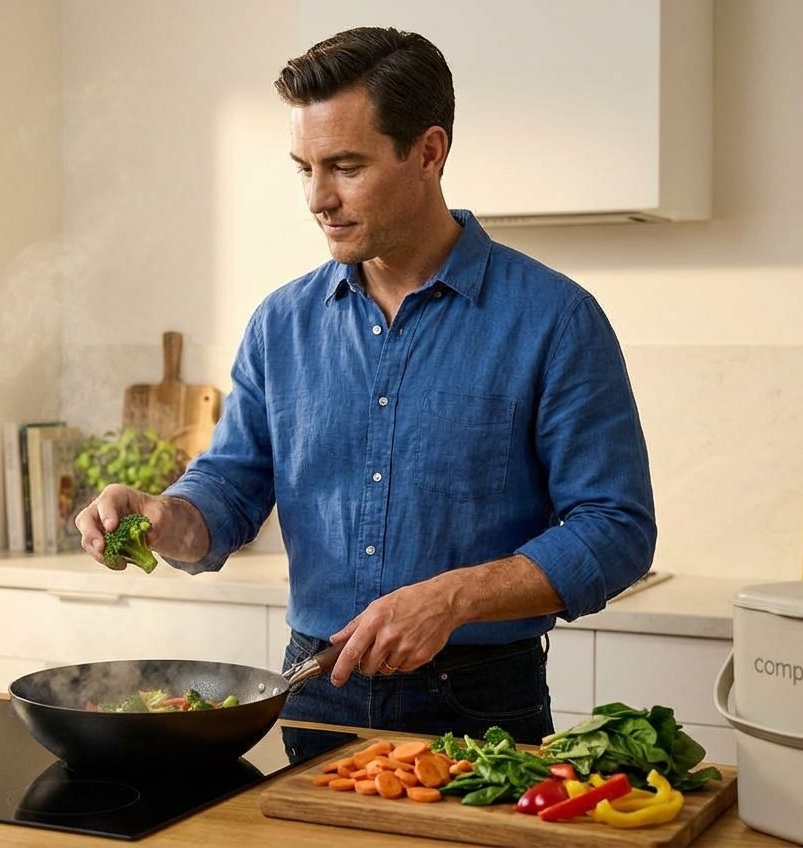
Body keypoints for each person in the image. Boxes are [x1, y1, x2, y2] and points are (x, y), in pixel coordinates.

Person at [76, 26, 655, 743]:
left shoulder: (554, 319)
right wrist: (166, 518)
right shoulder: (280, 323)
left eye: (347, 166)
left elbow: (618, 529)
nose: (319, 198)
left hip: (477, 708)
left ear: (428, 152)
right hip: (312, 692)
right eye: (305, 168)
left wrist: (452, 599)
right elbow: (225, 498)